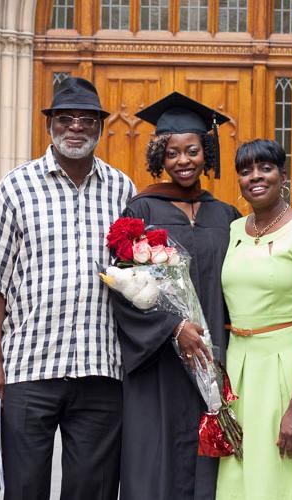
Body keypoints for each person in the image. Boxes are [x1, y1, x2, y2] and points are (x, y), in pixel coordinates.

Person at [0, 76, 136, 500]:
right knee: (24, 488)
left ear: (100, 127)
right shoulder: (15, 187)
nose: (76, 128)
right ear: (50, 126)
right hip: (29, 367)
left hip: (102, 367)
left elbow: (137, 275)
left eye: (86, 120)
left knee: (93, 490)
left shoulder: (124, 190)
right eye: (65, 119)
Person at [113, 92, 242, 500]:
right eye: (172, 153)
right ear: (160, 158)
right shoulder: (142, 210)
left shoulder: (226, 215)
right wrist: (174, 327)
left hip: (214, 357)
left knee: (212, 456)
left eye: (192, 151)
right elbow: (123, 288)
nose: (183, 161)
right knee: (157, 458)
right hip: (160, 363)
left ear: (206, 153)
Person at [216, 139, 292, 500]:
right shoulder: (234, 230)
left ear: (283, 176)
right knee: (242, 476)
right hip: (240, 368)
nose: (255, 177)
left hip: (290, 366)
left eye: (265, 168)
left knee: (288, 476)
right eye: (246, 170)